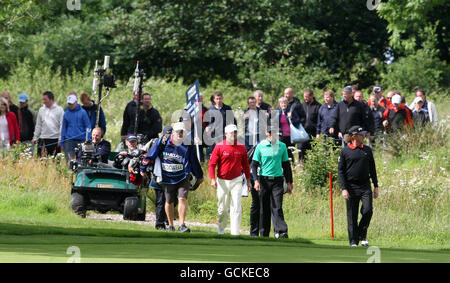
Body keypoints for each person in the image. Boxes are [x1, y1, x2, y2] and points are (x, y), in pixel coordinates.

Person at [145, 122, 204, 232]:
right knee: (169, 201)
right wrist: (144, 168)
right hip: (167, 176)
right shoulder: (162, 141)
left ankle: (182, 225)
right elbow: (151, 155)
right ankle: (171, 225)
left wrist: (199, 175)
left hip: (183, 176)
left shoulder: (187, 144)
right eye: (178, 132)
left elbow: (193, 161)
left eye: (182, 132)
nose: (180, 134)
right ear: (173, 132)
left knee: (182, 198)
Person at [338, 125, 379, 247]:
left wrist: (376, 186)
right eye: (362, 134)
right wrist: (344, 188)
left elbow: (373, 169)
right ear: (354, 136)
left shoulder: (367, 150)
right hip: (350, 187)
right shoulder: (345, 151)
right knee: (352, 215)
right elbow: (340, 171)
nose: (364, 136)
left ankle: (362, 234)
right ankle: (353, 241)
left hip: (365, 185)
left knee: (368, 211)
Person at [208, 124, 251, 235]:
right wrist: (212, 179)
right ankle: (221, 231)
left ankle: (235, 233)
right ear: (226, 134)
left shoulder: (241, 147)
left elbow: (246, 165)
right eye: (231, 132)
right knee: (222, 208)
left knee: (236, 206)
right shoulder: (219, 146)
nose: (233, 134)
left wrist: (249, 181)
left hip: (237, 180)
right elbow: (212, 164)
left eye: (235, 132)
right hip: (222, 181)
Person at [251, 126, 293, 238]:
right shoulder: (260, 146)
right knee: (264, 208)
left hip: (278, 180)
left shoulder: (282, 146)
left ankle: (281, 232)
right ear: (267, 133)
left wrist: (289, 182)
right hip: (264, 180)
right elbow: (254, 165)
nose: (273, 135)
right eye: (271, 133)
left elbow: (286, 165)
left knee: (277, 206)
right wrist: (255, 181)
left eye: (275, 133)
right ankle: (264, 233)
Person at [32, 91, 65, 157]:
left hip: (55, 139)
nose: (43, 101)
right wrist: (35, 137)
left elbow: (62, 125)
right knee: (41, 161)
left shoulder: (59, 110)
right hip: (43, 139)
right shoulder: (41, 110)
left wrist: (60, 139)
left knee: (55, 161)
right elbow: (38, 125)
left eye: (45, 99)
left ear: (51, 99)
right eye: (43, 99)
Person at [61, 94, 91, 161]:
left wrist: (88, 139)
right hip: (69, 140)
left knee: (81, 160)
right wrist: (62, 142)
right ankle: (69, 171)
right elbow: (63, 128)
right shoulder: (66, 114)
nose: (70, 105)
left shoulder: (83, 112)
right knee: (69, 161)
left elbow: (88, 126)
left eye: (72, 103)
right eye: (69, 104)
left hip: (81, 140)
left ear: (76, 102)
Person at [204, 92, 235, 158]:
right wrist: (207, 128)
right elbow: (208, 123)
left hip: (225, 134)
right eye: (217, 99)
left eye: (220, 98)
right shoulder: (210, 109)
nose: (218, 100)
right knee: (212, 154)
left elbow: (232, 121)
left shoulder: (227, 108)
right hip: (213, 135)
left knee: (225, 153)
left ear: (222, 98)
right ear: (214, 100)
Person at [299, 89, 321, 161]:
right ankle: (302, 166)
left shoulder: (318, 106)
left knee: (313, 151)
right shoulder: (302, 106)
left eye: (307, 97)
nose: (305, 98)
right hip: (303, 133)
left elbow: (319, 120)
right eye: (304, 97)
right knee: (301, 150)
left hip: (313, 133)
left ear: (312, 96)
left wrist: (318, 132)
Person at [277, 97, 294, 162]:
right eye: (282, 103)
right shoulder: (278, 113)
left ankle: (292, 167)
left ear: (287, 104)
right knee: (282, 152)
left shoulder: (290, 112)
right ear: (279, 104)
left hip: (290, 136)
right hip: (281, 136)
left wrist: (291, 117)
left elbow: (297, 122)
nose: (283, 105)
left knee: (290, 153)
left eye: (285, 103)